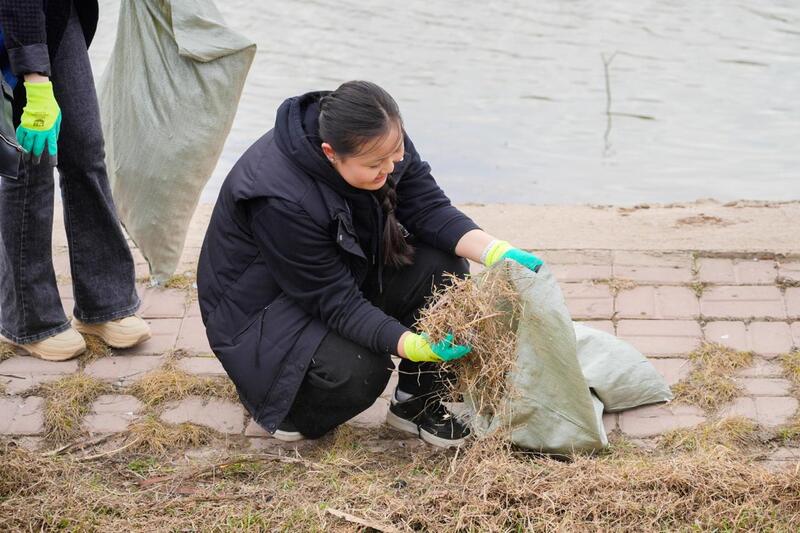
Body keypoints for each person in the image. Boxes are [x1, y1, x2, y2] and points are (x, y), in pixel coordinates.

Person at [197, 81, 543, 448]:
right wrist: (411, 344)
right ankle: (292, 406)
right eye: (375, 165)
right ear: (331, 153)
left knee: (443, 263)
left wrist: (496, 251)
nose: (389, 167)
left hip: (330, 278)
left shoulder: (382, 139)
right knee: (358, 372)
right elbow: (334, 301)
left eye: (396, 152)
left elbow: (427, 207)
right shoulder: (279, 198)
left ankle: (415, 403)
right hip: (263, 316)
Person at [0, 0, 150, 361]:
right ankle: (29, 321)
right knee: (31, 156)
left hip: (57, 11)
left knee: (85, 149)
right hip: (12, 18)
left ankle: (105, 305)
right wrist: (34, 77)